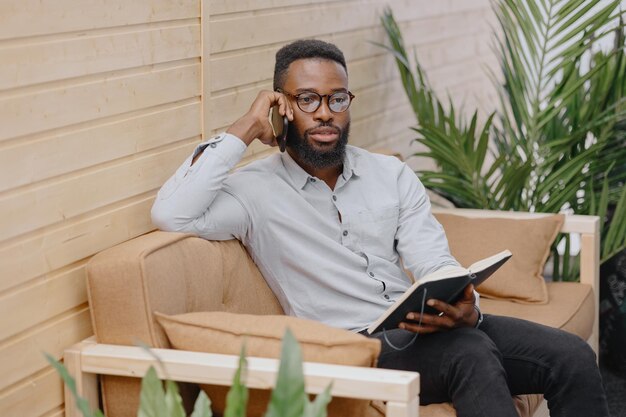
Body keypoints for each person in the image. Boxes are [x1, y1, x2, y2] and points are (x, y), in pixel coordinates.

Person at [151, 39, 609, 417]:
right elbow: (172, 213)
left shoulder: (389, 174)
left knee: (570, 356)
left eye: (337, 98)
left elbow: (432, 258)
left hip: (421, 326)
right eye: (307, 99)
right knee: (470, 354)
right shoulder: (252, 192)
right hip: (355, 347)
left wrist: (464, 303)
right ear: (281, 108)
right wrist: (246, 127)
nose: (325, 112)